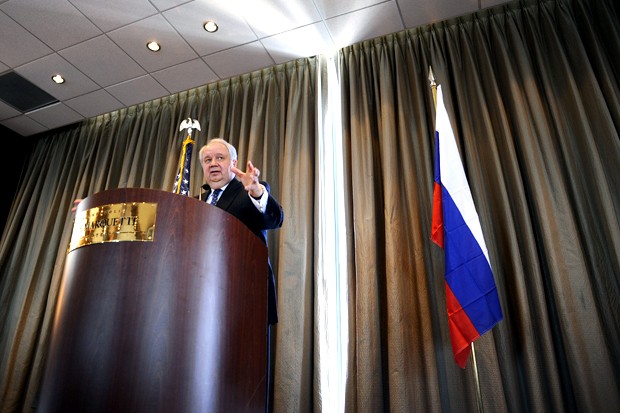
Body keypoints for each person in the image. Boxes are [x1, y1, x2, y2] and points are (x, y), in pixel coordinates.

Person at [198, 137, 283, 413]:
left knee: (242, 391)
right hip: (202, 307)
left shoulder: (248, 190)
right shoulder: (195, 203)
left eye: (219, 158)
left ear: (233, 163)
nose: (213, 164)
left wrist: (256, 191)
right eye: (207, 160)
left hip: (245, 303)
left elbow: (274, 218)